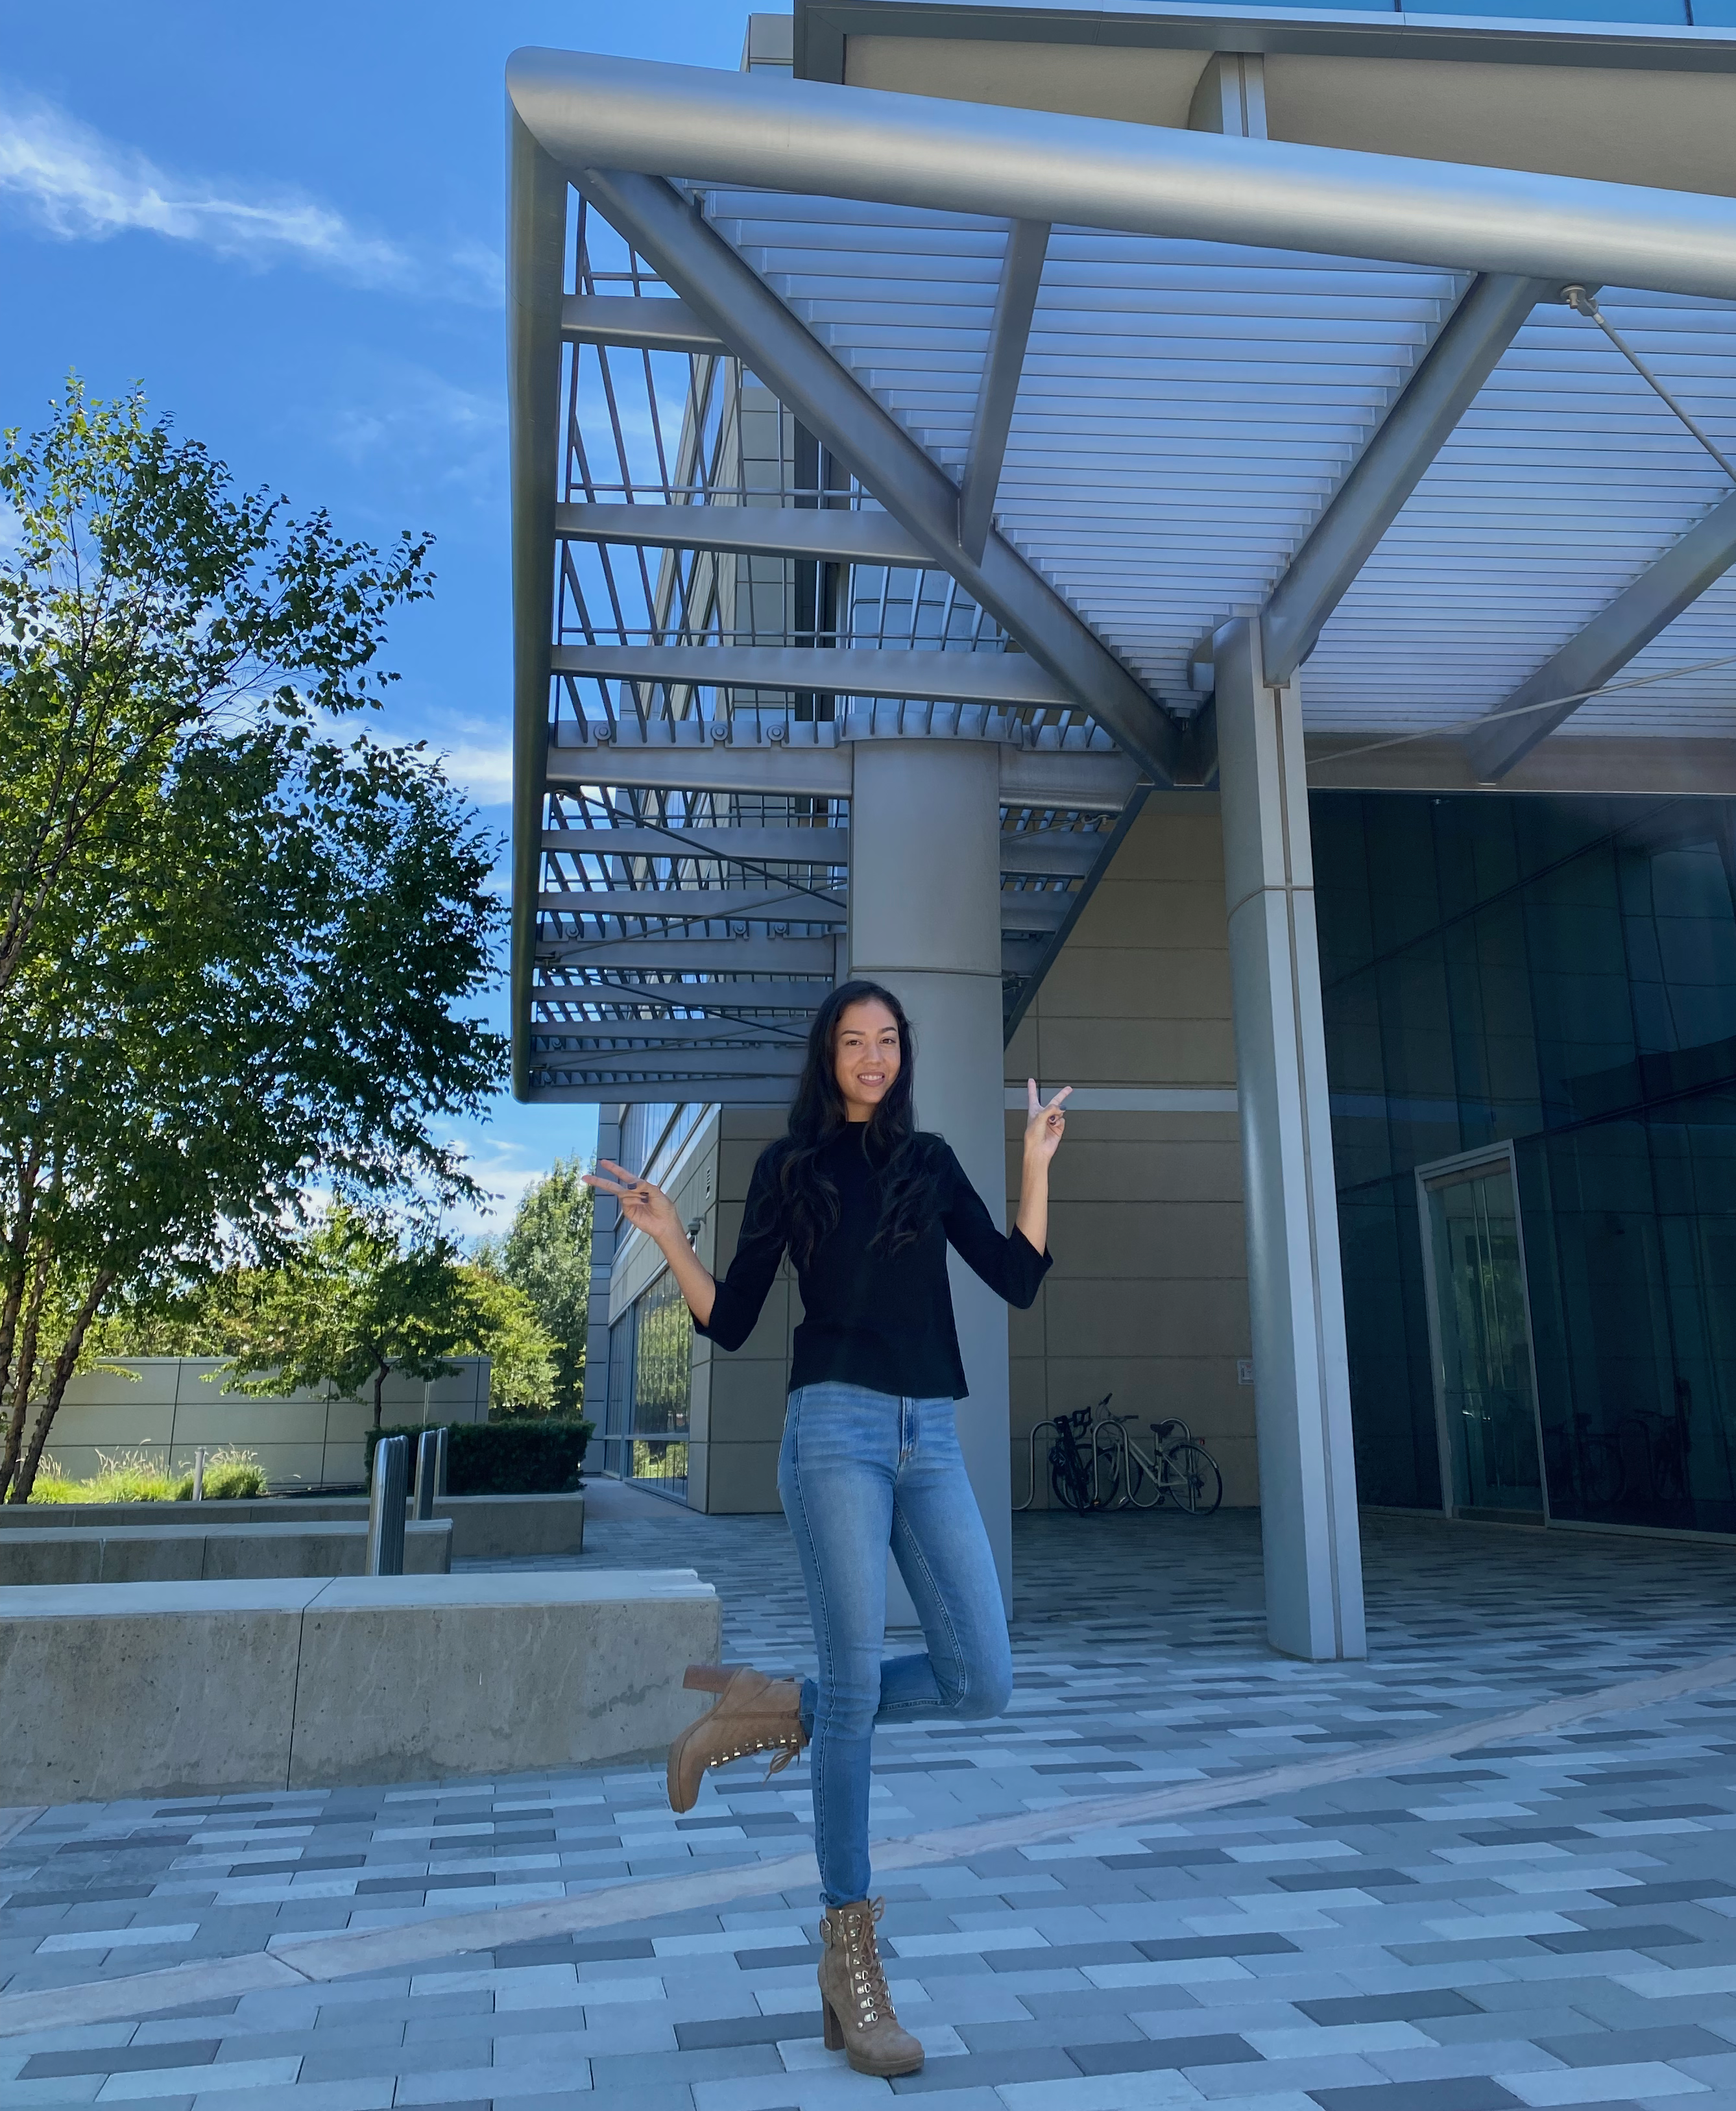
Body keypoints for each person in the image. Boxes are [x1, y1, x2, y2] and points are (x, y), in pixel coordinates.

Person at [585, 981, 1069, 2079]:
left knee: (983, 1675)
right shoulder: (786, 1170)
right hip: (833, 1436)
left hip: (927, 1440)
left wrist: (1037, 1161)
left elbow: (1017, 1277)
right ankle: (850, 1959)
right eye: (853, 1041)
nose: (872, 1056)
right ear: (827, 1055)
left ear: (903, 1054)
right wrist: (666, 1235)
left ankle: (777, 1703)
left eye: (887, 1041)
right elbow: (736, 1317)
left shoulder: (932, 1163)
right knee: (858, 1686)